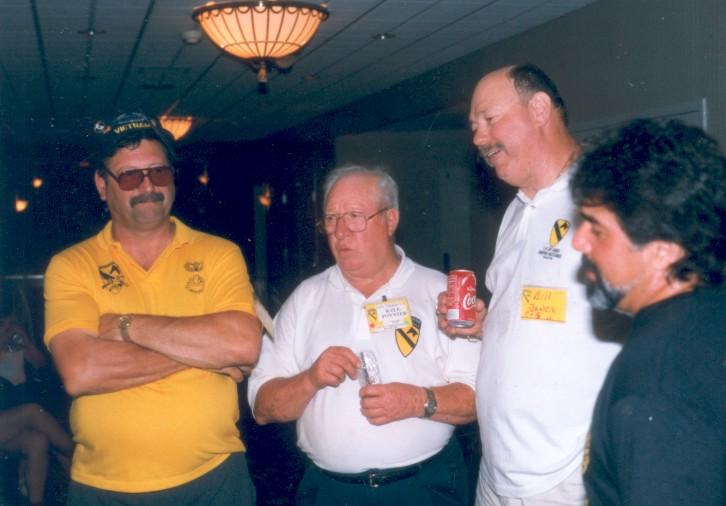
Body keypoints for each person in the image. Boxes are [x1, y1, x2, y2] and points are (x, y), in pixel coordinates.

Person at [43, 112, 262, 505]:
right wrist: (207, 351)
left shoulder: (219, 254)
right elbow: (81, 371)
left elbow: (243, 346)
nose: (148, 186)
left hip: (215, 480)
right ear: (102, 185)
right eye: (130, 177)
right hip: (104, 488)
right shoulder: (71, 265)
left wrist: (125, 325)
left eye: (158, 173)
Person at [439, 64, 622, 505]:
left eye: (489, 119)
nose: (479, 138)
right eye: (474, 127)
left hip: (564, 477)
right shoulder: (518, 209)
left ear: (539, 109)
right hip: (496, 472)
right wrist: (485, 325)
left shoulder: (606, 199)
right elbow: (541, 313)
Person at [248, 165, 481, 505]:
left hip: (423, 489)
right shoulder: (305, 298)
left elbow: (477, 398)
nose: (340, 232)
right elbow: (263, 407)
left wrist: (415, 401)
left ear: (390, 220)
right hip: (329, 493)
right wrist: (310, 379)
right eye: (331, 219)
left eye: (355, 216)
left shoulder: (440, 293)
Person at [569, 119, 726, 505]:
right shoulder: (709, 311)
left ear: (662, 252)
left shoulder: (655, 390)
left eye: (596, 229)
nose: (578, 242)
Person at [1, 315, 74, 506]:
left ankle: (36, 502)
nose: (8, 328)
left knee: (37, 441)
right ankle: (78, 456)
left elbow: (42, 365)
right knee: (32, 412)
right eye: (3, 325)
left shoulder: (14, 348)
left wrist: (26, 343)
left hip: (7, 423)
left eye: (11, 323)